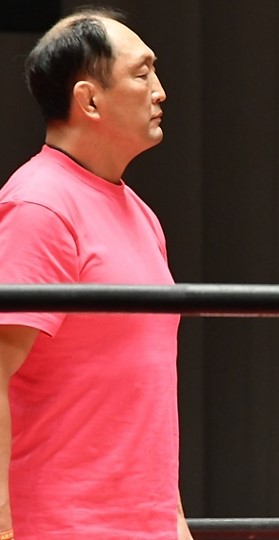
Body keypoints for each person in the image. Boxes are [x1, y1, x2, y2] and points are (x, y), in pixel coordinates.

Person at [0, 6, 192, 540]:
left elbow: (146, 393)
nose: (160, 91)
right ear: (89, 100)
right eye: (142, 73)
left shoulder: (141, 214)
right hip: (58, 527)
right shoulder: (39, 205)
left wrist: (174, 522)